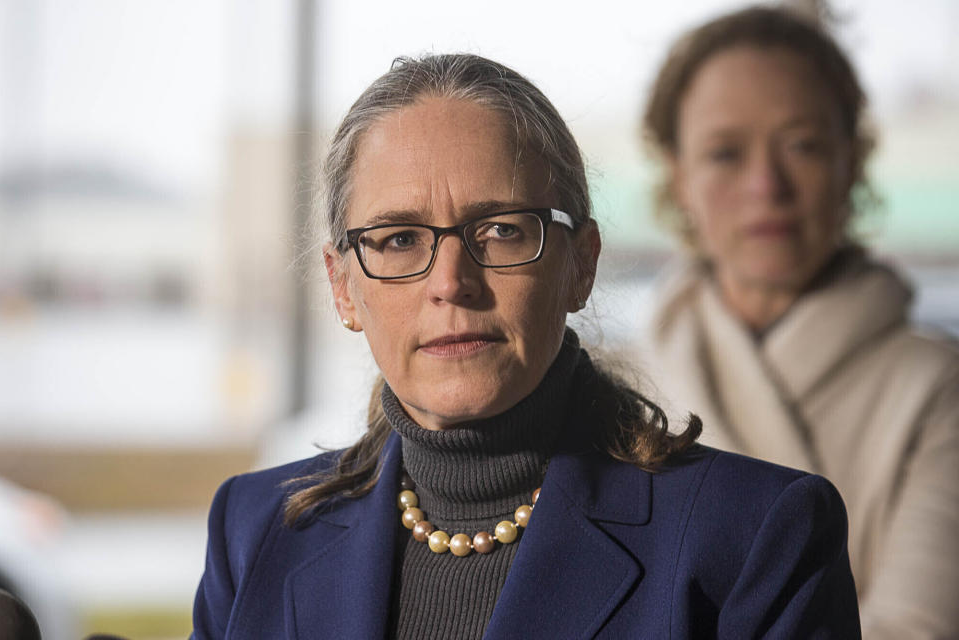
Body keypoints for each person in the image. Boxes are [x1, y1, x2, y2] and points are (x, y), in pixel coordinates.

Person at [192, 53, 859, 639]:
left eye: (502, 231)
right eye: (398, 240)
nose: (451, 283)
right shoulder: (253, 532)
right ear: (344, 289)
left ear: (581, 264)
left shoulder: (755, 536)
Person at [639, 6, 959, 639]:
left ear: (853, 160)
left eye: (804, 145)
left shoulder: (936, 388)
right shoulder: (621, 379)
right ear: (678, 176)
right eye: (726, 152)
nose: (766, 185)